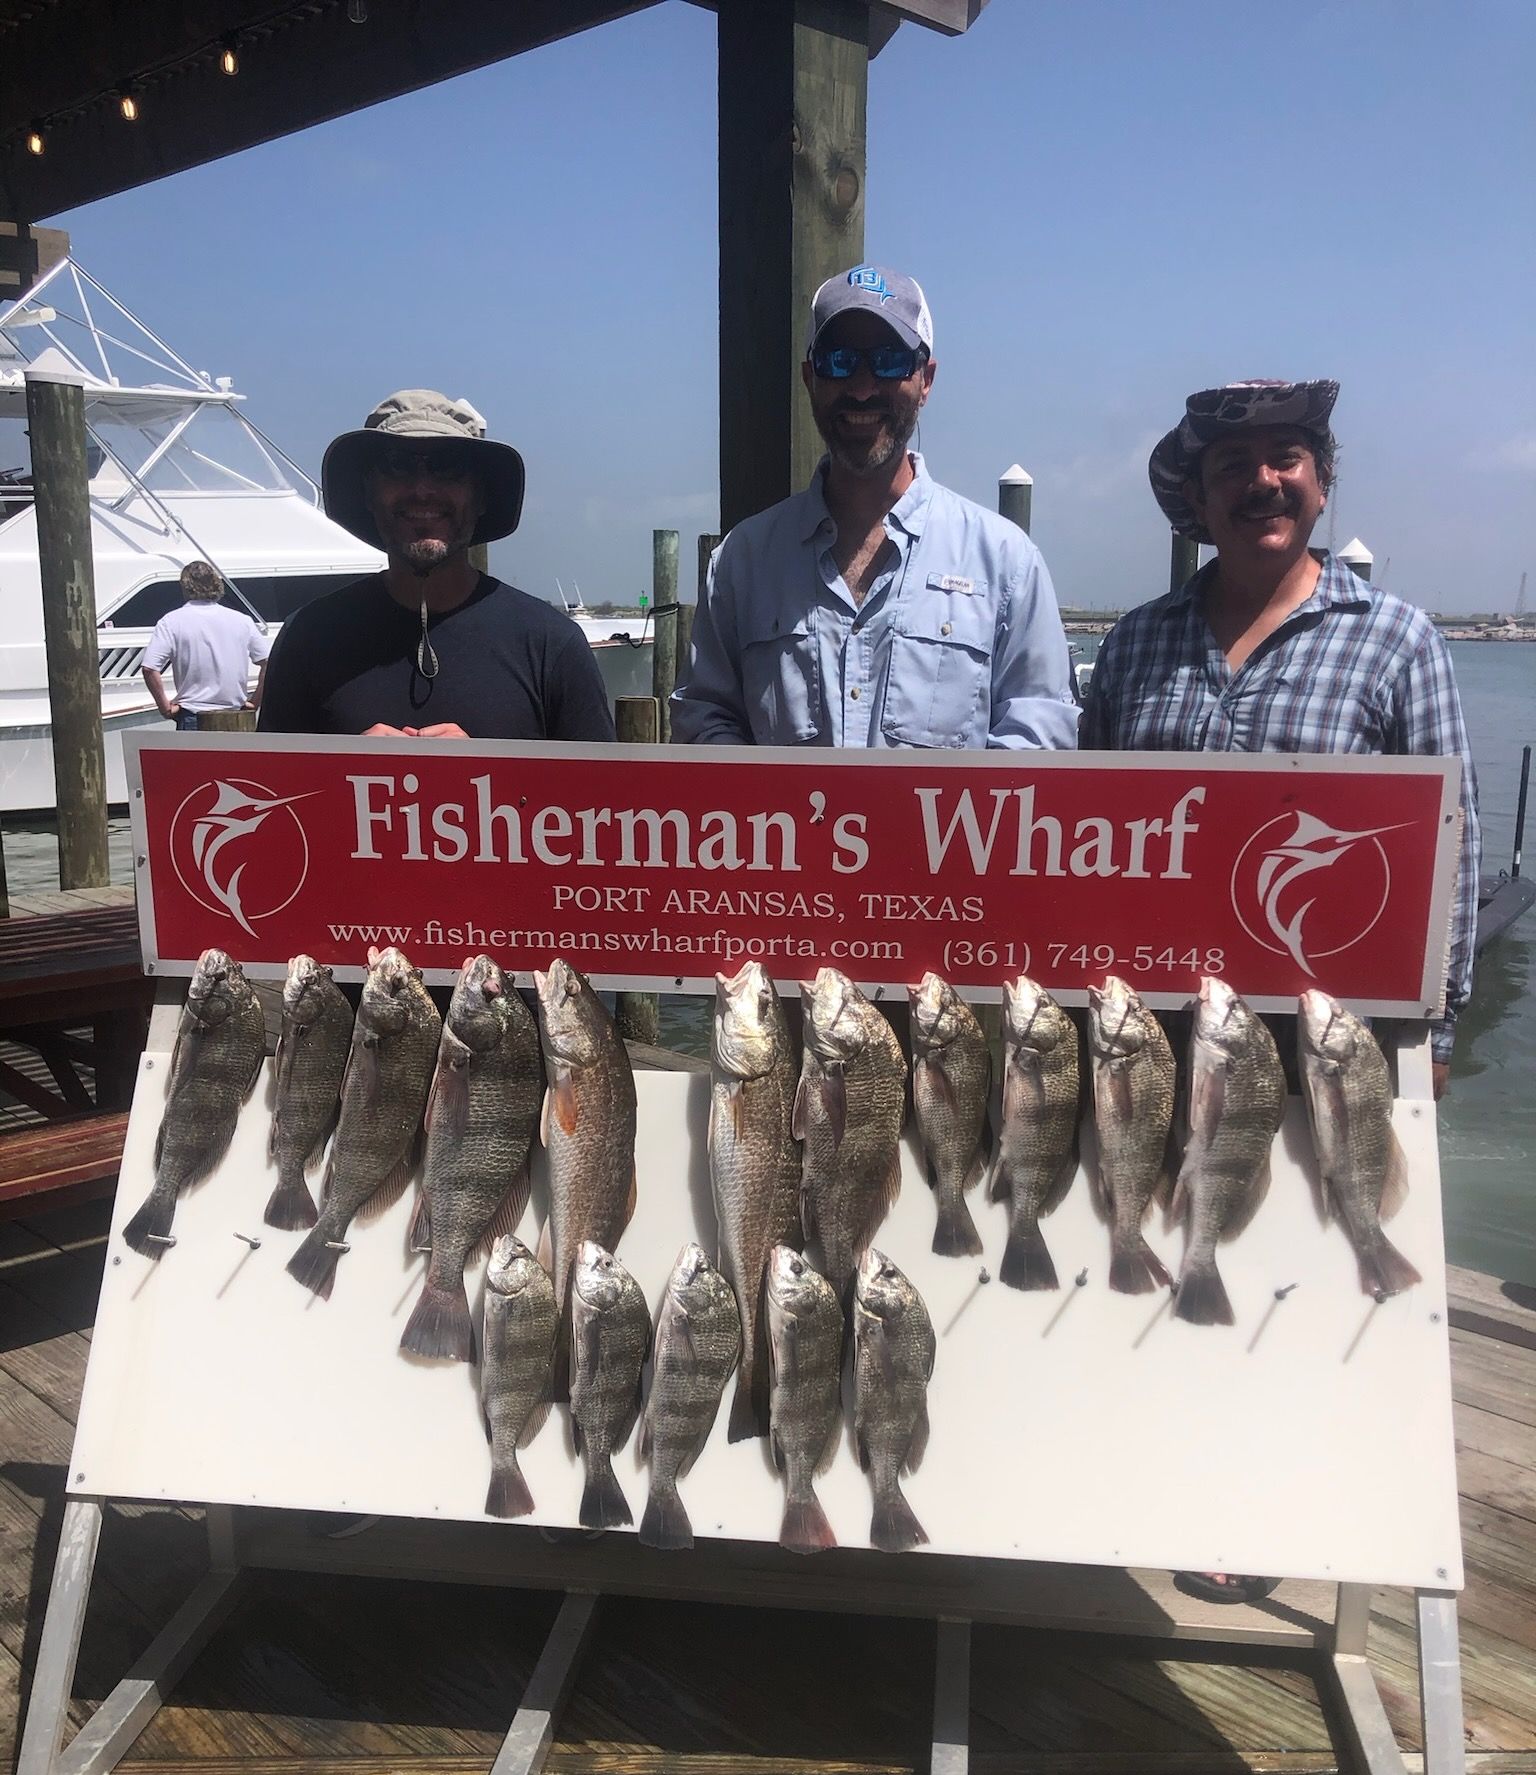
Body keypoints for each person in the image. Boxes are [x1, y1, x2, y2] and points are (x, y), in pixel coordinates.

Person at [1082, 377, 1481, 1606]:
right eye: (1237, 464)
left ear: (1323, 480)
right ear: (1194, 499)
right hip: (1151, 1033)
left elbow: (1449, 839)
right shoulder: (1139, 641)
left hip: (1318, 1038)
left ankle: (1266, 1505)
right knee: (1148, 1235)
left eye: (1290, 458)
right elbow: (1078, 822)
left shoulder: (1397, 636)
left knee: (1304, 1260)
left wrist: (1438, 1022)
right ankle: (1146, 1473)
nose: (1266, 480)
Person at [670, 265, 1077, 751]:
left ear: (926, 379)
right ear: (809, 378)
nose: (862, 387)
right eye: (838, 361)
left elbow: (1039, 740)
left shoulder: (1008, 563)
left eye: (888, 361)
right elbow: (705, 720)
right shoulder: (742, 563)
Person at [257, 390, 614, 742]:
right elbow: (268, 791)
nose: (423, 489)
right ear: (368, 493)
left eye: (449, 468)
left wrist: (479, 772)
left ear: (482, 496)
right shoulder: (308, 636)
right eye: (397, 466)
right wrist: (351, 768)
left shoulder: (552, 644)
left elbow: (601, 796)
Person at [140, 561, 268, 730]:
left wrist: (165, 708)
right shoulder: (242, 620)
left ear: (185, 587)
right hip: (236, 716)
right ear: (216, 584)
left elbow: (149, 668)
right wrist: (255, 701)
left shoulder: (171, 621)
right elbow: (268, 663)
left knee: (194, 758)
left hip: (193, 716)